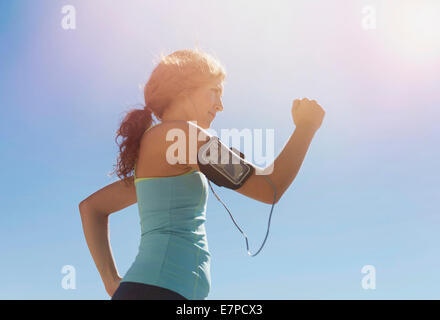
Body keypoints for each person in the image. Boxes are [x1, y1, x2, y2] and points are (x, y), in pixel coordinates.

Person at [78, 47, 325, 300]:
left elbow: (92, 207)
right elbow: (270, 187)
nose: (220, 106)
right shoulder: (182, 135)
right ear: (185, 89)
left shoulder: (161, 147)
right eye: (214, 92)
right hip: (157, 291)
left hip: (154, 290)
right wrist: (306, 127)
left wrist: (111, 282)